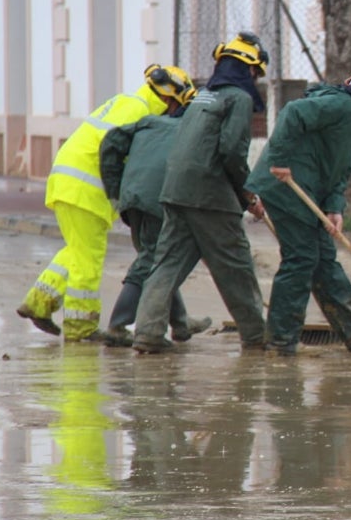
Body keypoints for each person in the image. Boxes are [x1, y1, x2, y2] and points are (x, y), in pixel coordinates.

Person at [17, 64, 195, 342]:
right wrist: (119, 194)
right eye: (175, 106)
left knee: (76, 251)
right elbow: (113, 150)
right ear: (168, 97)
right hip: (85, 190)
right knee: (89, 259)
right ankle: (81, 327)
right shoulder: (138, 111)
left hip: (70, 183)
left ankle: (39, 303)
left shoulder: (128, 101)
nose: (172, 114)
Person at [246, 58, 351, 354]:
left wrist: (335, 207)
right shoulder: (341, 106)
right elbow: (292, 113)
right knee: (302, 258)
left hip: (309, 192)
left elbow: (339, 168)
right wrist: (279, 160)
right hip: (286, 187)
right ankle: (281, 340)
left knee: (323, 258)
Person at [131, 32, 271, 354]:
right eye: (255, 72)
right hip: (210, 195)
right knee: (235, 265)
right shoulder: (238, 98)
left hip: (176, 191)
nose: (255, 79)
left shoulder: (204, 96)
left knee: (166, 264)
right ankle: (257, 336)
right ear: (247, 68)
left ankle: (148, 333)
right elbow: (232, 151)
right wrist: (247, 194)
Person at [98, 86, 213, 348]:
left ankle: (181, 322)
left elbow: (111, 142)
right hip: (159, 199)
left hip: (133, 197)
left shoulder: (151, 122)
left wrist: (115, 190)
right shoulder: (197, 133)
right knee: (152, 258)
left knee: (160, 259)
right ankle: (118, 324)